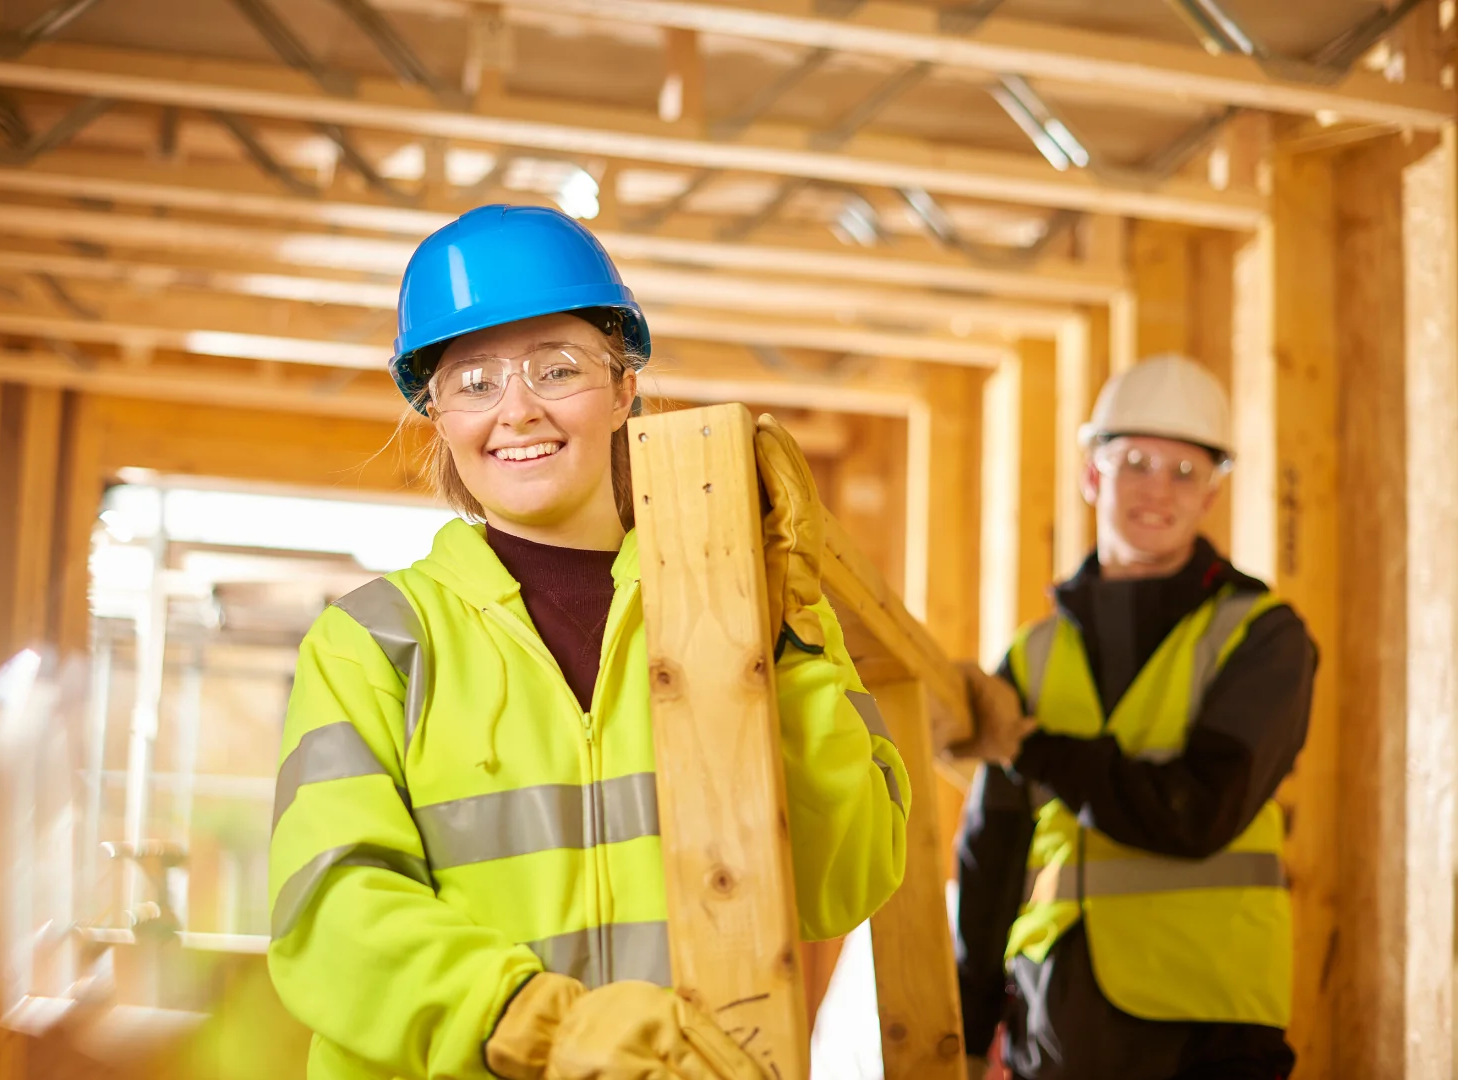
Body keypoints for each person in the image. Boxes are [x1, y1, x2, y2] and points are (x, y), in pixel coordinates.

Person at [265, 204, 913, 1080]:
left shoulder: (742, 611)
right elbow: (328, 912)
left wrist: (787, 635)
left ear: (622, 388)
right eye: (474, 381)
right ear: (437, 415)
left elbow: (849, 878)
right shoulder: (374, 644)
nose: (518, 409)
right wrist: (539, 1026)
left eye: (555, 368)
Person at [953, 355, 1318, 1080]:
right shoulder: (1034, 652)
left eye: (1185, 472)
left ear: (1213, 491)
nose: (1158, 489)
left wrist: (1035, 748)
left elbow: (1196, 812)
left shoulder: (1264, 636)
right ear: (1092, 474)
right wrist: (964, 1029)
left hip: (1210, 1021)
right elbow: (992, 851)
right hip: (1058, 1010)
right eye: (1136, 463)